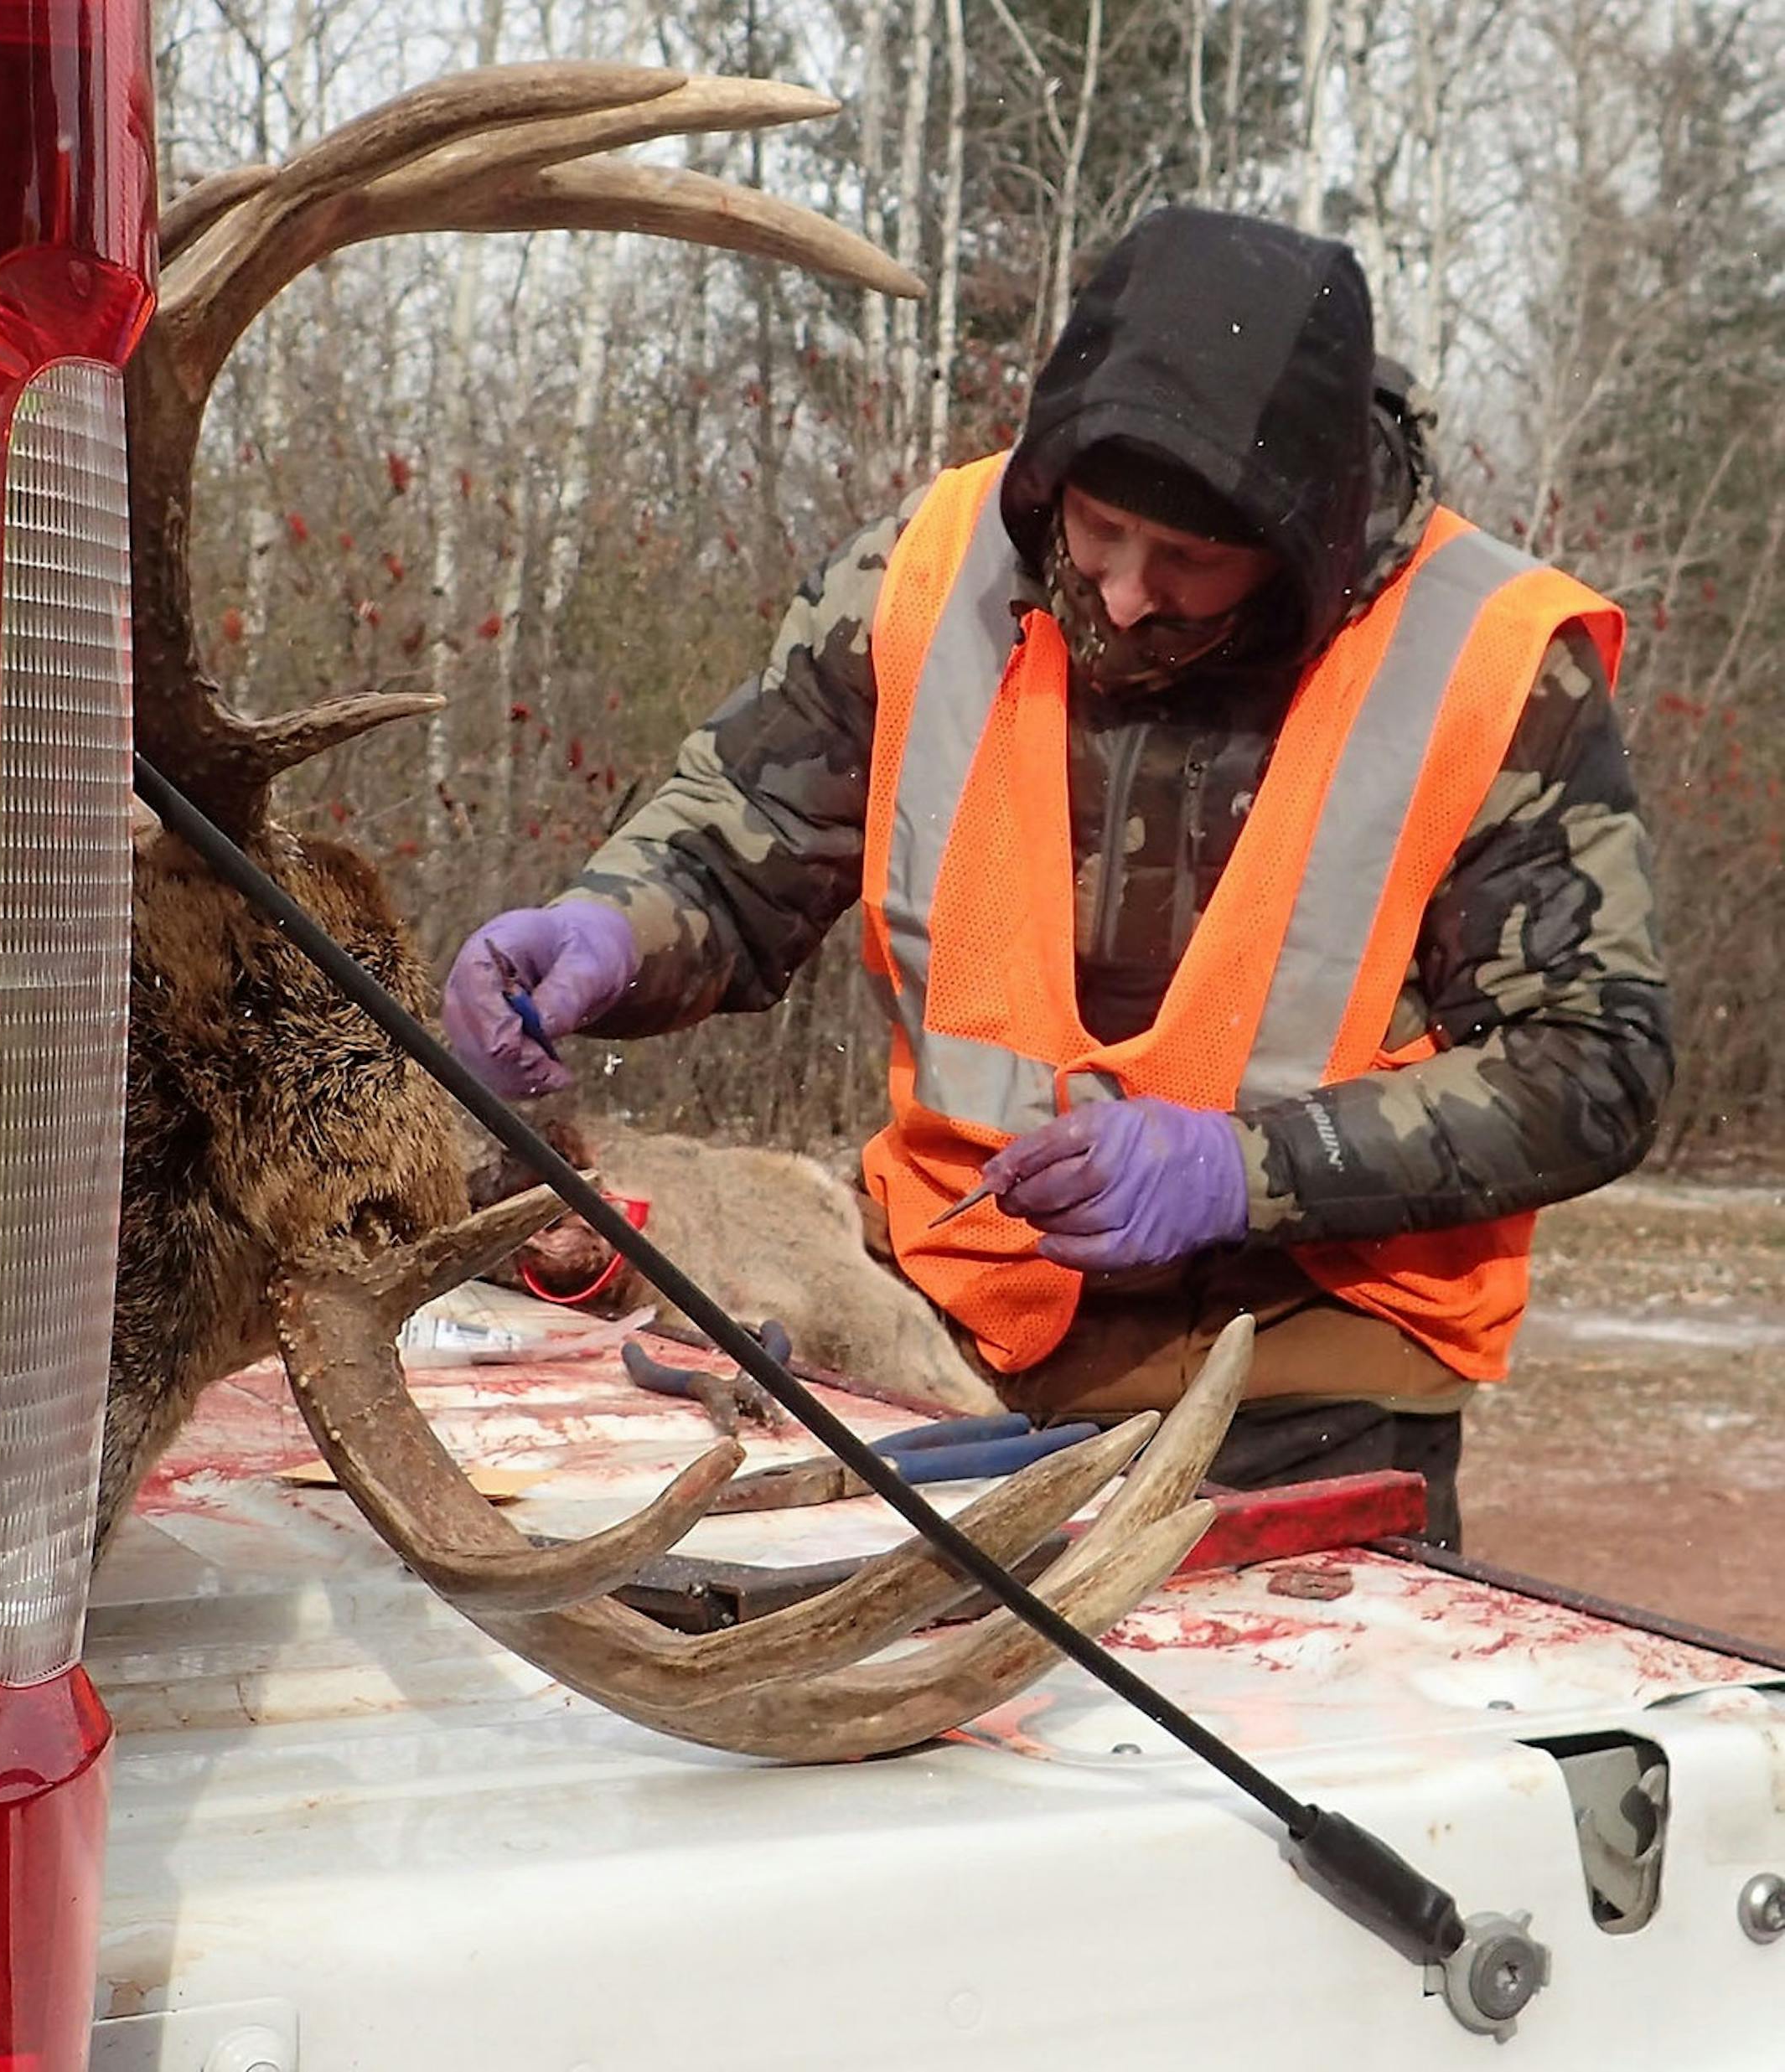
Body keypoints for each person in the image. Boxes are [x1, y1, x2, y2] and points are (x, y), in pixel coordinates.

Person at [442, 207, 1671, 1548]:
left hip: (1303, 1394)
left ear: (1308, 537)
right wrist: (608, 929)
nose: (1128, 592)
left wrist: (1243, 1169)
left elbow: (1589, 1065)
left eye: (1191, 559)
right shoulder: (931, 565)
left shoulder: (1488, 657)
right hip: (932, 1340)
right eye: (1096, 528)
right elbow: (736, 837)